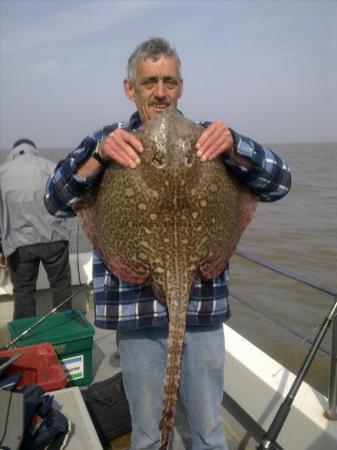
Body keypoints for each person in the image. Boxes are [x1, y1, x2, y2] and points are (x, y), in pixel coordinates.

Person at [45, 38, 291, 450]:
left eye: (170, 82)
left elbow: (280, 183)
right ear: (130, 88)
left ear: (181, 86)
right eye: (150, 82)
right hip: (136, 320)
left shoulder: (211, 140)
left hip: (202, 314)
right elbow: (54, 201)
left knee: (209, 432)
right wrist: (98, 157)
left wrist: (236, 147)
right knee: (145, 434)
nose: (161, 92)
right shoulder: (108, 142)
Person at [0, 138, 72, 319]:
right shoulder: (50, 167)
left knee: (23, 292)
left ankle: (26, 341)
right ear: (34, 150)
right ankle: (64, 331)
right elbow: (69, 199)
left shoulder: (3, 173)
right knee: (60, 285)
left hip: (19, 244)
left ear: (14, 152)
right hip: (55, 239)